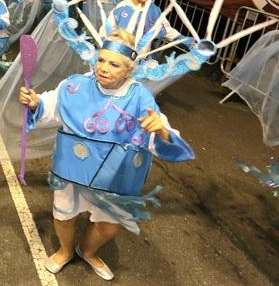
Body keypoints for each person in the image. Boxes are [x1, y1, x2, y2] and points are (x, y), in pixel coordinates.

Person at [18, 30, 194, 280]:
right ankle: (65, 250)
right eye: (101, 60)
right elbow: (52, 106)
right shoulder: (75, 85)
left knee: (109, 227)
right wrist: (36, 102)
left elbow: (160, 131)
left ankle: (87, 251)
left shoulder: (140, 97)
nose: (103, 68)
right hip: (73, 171)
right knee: (64, 215)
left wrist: (162, 132)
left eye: (114, 64)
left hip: (116, 178)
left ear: (128, 70)